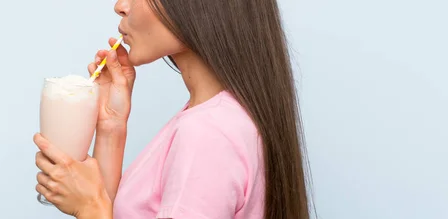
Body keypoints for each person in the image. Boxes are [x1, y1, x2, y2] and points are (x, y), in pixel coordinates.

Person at [33, 0, 312, 218]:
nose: (120, 6)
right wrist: (111, 127)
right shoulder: (216, 116)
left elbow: (100, 211)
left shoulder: (208, 132)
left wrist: (91, 209)